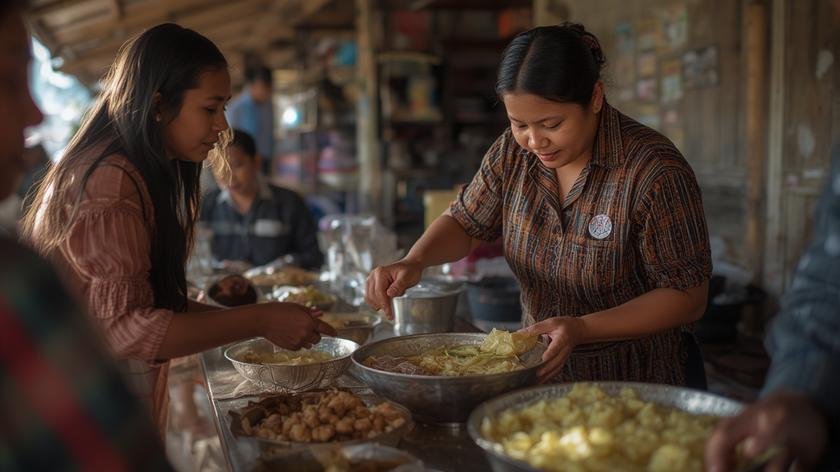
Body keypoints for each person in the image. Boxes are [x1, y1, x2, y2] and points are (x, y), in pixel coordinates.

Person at [20, 23, 336, 436]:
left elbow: (158, 303)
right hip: (77, 420)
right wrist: (259, 321)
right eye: (210, 108)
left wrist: (259, 319)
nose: (222, 126)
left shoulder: (131, 171)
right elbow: (128, 329)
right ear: (157, 105)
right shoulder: (109, 182)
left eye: (224, 108)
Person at [365, 23, 711, 386]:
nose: (534, 141)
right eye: (519, 123)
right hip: (540, 373)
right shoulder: (513, 154)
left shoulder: (653, 170)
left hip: (638, 379)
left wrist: (582, 328)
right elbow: (466, 223)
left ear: (595, 97)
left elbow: (687, 296)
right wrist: (414, 260)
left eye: (551, 124)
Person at [0, 2, 171, 469]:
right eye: (11, 81)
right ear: (157, 107)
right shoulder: (12, 280)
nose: (35, 114)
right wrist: (261, 320)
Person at [704, 155, 840, 471]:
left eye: (560, 125)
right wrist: (800, 391)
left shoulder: (657, 169)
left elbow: (688, 298)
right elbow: (831, 281)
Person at [200, 129, 324, 269]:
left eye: (236, 165)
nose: (228, 176)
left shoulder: (289, 202)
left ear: (256, 162)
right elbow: (196, 255)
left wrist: (283, 265)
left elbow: (313, 256)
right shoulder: (207, 204)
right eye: (218, 168)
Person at [226, 64, 274, 174]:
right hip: (243, 162)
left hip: (264, 160)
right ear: (251, 85)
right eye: (264, 86)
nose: (268, 91)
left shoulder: (267, 107)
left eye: (270, 87)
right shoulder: (236, 108)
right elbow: (231, 140)